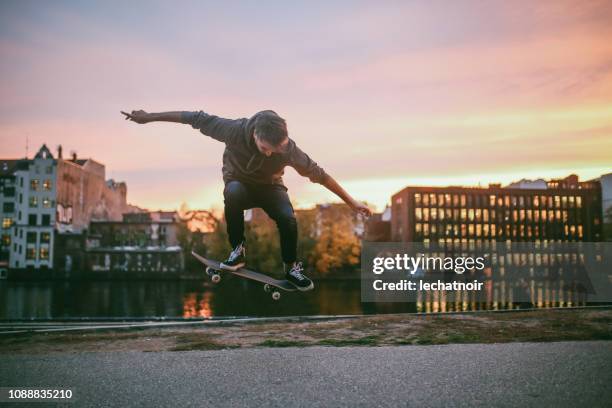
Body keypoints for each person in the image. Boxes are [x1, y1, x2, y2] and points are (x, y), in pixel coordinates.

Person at [121, 108, 371, 291]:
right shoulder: (233, 130)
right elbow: (192, 118)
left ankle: (291, 267)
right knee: (233, 193)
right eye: (266, 149)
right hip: (238, 182)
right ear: (254, 135)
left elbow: (322, 176)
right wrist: (149, 117)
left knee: (287, 218)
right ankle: (237, 250)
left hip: (271, 188)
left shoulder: (290, 150)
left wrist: (352, 202)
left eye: (278, 149)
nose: (272, 153)